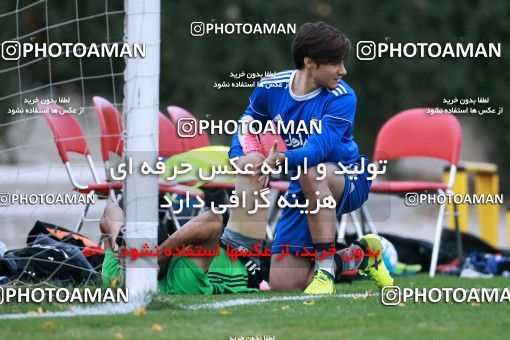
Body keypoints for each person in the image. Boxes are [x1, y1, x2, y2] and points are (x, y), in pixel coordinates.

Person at [226, 21, 394, 294]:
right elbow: (246, 124)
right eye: (336, 63)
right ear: (310, 62)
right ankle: (365, 253)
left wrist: (279, 160)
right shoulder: (271, 87)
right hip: (303, 183)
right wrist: (244, 156)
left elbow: (317, 151)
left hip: (346, 177)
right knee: (285, 284)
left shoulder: (343, 97)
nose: (344, 70)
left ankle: (326, 270)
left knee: (311, 170)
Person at [100, 201, 258, 295]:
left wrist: (115, 238)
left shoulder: (115, 275)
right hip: (248, 259)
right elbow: (214, 218)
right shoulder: (180, 283)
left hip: (218, 243)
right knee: (252, 165)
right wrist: (161, 255)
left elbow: (110, 209)